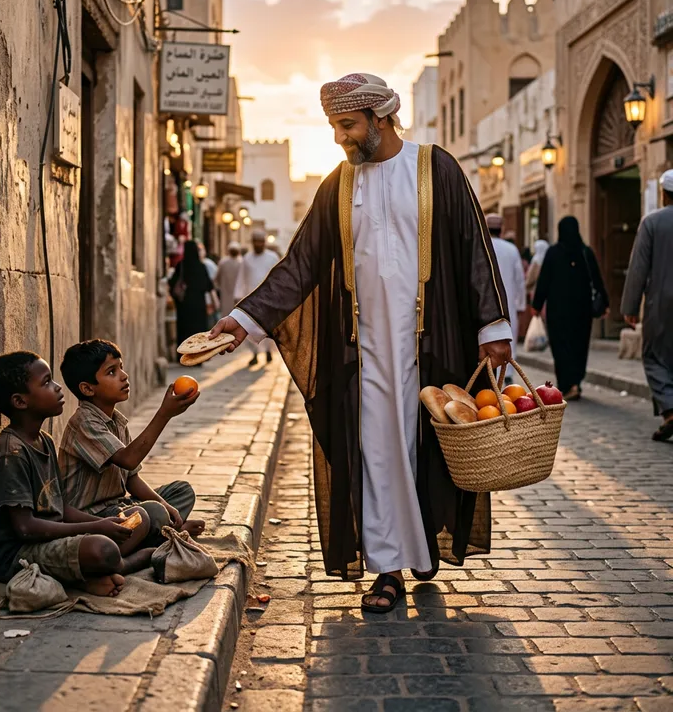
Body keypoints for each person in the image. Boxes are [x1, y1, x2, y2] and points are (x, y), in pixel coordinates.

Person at [211, 72, 512, 612]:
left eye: (347, 125)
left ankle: (419, 543)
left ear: (380, 118)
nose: (338, 138)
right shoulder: (339, 185)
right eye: (333, 126)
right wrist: (245, 319)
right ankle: (388, 569)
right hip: (364, 351)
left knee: (427, 453)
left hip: (431, 347)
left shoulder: (435, 168)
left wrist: (493, 330)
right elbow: (300, 264)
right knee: (374, 452)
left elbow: (473, 249)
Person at [0, 352, 155, 597]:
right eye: (47, 382)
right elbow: (25, 528)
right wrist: (96, 529)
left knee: (139, 518)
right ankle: (123, 565)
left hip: (49, 538)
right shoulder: (11, 453)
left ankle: (91, 574)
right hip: (17, 554)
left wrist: (101, 525)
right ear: (20, 401)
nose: (58, 387)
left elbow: (60, 508)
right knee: (103, 550)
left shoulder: (45, 441)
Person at [58, 339, 205, 540]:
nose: (124, 376)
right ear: (88, 389)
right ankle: (164, 532)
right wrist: (164, 414)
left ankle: (165, 527)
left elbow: (131, 478)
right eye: (112, 372)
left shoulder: (116, 421)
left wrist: (167, 506)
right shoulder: (84, 422)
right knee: (150, 513)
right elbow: (129, 459)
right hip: (92, 518)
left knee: (181, 491)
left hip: (120, 507)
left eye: (121, 368)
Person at [531, 216, 609, 401]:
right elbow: (597, 279)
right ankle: (575, 382)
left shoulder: (553, 253)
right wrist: (604, 303)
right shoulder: (585, 252)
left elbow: (544, 281)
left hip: (558, 310)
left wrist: (537, 305)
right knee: (579, 346)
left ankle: (567, 384)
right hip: (582, 310)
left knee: (561, 346)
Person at [621, 170, 673, 441]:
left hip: (660, 303)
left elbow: (638, 269)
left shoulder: (652, 222)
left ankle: (670, 409)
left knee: (653, 356)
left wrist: (629, 306)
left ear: (664, 194)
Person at [487, 214, 526, 380]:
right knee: (508, 337)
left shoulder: (482, 246)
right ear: (501, 229)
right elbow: (519, 280)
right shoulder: (511, 250)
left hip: (486, 303)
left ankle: (488, 373)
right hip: (507, 303)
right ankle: (507, 373)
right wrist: (520, 305)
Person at [234, 231, 280, 366]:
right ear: (252, 242)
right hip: (250, 299)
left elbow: (278, 278)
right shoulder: (247, 258)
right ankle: (254, 353)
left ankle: (268, 352)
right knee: (248, 328)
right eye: (256, 241)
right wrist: (237, 296)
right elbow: (241, 278)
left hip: (268, 299)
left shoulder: (272, 257)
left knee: (267, 328)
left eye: (261, 241)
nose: (258, 244)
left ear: (264, 242)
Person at [170, 240, 214, 346]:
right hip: (198, 304)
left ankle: (183, 354)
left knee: (184, 330)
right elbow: (208, 286)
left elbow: (172, 283)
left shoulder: (181, 266)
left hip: (184, 305)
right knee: (198, 330)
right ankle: (198, 354)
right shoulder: (201, 266)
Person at [215, 242, 243, 318]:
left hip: (227, 294)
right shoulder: (241, 262)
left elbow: (217, 279)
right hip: (237, 295)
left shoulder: (223, 262)